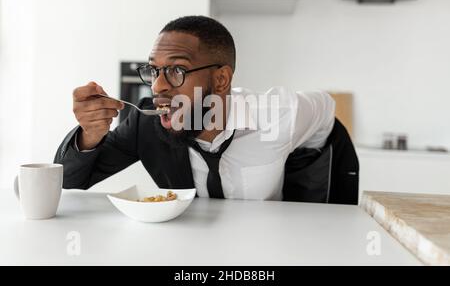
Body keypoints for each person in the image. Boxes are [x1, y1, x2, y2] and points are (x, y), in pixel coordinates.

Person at [54, 15, 359, 204]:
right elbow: (69, 183)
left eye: (176, 71)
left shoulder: (277, 113)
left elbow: (326, 110)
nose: (158, 87)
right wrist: (89, 135)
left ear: (221, 79)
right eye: (153, 70)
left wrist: (306, 162)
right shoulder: (145, 123)